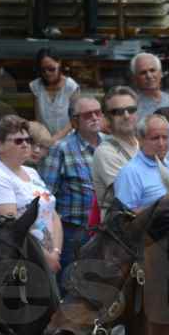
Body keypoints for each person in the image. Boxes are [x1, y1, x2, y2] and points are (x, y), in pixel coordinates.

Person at [0, 115, 62, 274]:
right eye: (18, 141)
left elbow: (53, 214)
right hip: (19, 263)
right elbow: (11, 228)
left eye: (28, 140)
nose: (25, 144)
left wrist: (55, 252)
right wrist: (44, 257)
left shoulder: (32, 172)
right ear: (0, 145)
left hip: (47, 260)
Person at [46, 94, 103, 270]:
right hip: (74, 232)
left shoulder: (111, 145)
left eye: (98, 112)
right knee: (71, 284)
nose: (94, 117)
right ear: (74, 121)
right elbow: (46, 196)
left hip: (106, 231)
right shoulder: (61, 148)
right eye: (87, 115)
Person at [112, 115, 169, 211]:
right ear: (141, 140)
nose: (161, 144)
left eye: (165, 137)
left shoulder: (167, 164)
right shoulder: (131, 172)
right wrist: (160, 208)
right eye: (155, 138)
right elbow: (124, 215)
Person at [91, 86, 143, 207]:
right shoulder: (105, 152)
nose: (126, 115)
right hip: (125, 222)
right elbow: (130, 195)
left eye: (131, 109)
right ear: (107, 118)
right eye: (118, 112)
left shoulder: (144, 144)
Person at [30, 48, 79, 142]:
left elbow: (74, 119)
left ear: (59, 64)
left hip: (68, 139)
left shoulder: (71, 86)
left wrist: (55, 139)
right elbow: (38, 118)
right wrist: (43, 138)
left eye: (51, 69)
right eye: (43, 70)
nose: (47, 73)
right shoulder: (36, 86)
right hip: (44, 138)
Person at [129, 53, 169, 121]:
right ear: (134, 78)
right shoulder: (132, 105)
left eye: (152, 70)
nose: (149, 76)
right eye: (143, 72)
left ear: (160, 73)